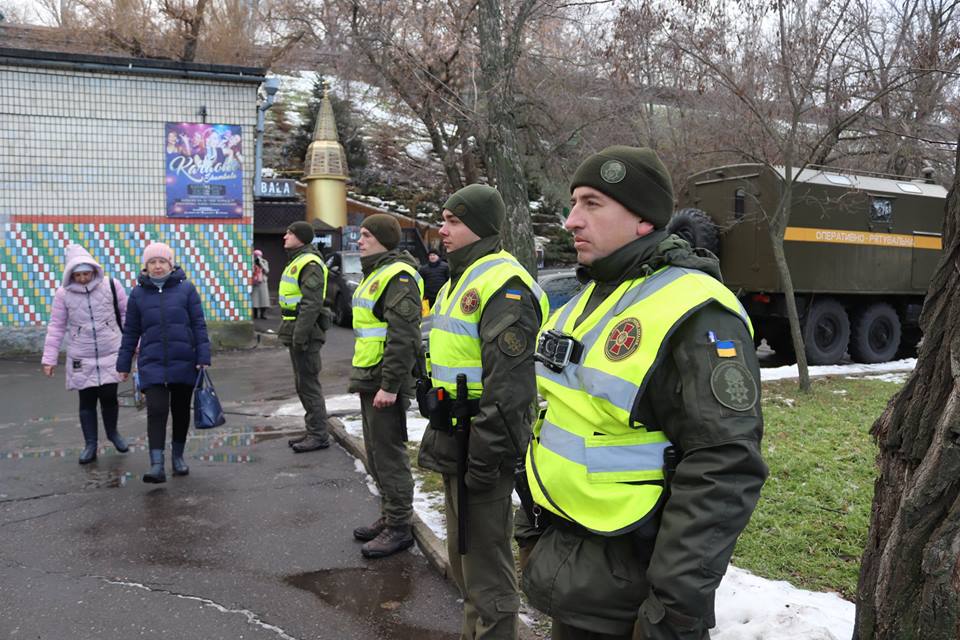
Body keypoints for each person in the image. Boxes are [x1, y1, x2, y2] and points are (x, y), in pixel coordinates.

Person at [518, 146, 768, 640]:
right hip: (578, 568)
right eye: (573, 203)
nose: (571, 221)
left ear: (643, 220)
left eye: (592, 204)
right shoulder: (591, 296)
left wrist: (671, 614)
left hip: (635, 591)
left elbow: (724, 469)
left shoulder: (697, 311)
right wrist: (533, 526)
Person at [418, 184, 549, 640]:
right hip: (458, 437)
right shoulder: (461, 278)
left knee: (487, 572)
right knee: (465, 564)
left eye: (454, 220)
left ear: (482, 226)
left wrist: (486, 458)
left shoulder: (504, 286)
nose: (443, 229)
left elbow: (509, 390)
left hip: (483, 447)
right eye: (444, 219)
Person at [348, 214, 424, 559]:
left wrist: (391, 385)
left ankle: (399, 527)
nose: (359, 240)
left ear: (383, 239)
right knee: (376, 452)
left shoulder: (399, 276)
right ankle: (390, 513)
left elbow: (403, 337)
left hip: (384, 380)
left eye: (366, 235)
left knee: (389, 454)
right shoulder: (377, 274)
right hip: (370, 376)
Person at [116, 242, 211, 484]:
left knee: (180, 412)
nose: (157, 266)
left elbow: (198, 325)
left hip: (184, 361)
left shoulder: (187, 289)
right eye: (152, 262)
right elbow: (131, 331)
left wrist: (203, 356)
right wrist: (123, 364)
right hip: (152, 362)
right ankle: (156, 464)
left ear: (171, 264)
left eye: (162, 262)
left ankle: (177, 457)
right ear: (145, 267)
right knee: (156, 411)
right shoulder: (138, 294)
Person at [41, 244, 130, 465]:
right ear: (70, 274)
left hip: (111, 351)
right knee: (87, 401)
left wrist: (134, 344)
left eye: (86, 273)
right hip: (82, 354)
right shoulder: (63, 294)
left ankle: (113, 434)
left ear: (93, 270)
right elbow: (56, 326)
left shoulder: (111, 285)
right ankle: (90, 443)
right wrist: (49, 358)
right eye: (77, 275)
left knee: (110, 397)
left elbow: (127, 315)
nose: (82, 278)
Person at [279, 221, 333, 453]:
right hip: (296, 330)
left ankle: (319, 435)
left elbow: (311, 304)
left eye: (290, 233)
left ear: (301, 237)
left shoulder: (310, 263)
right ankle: (313, 429)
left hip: (306, 333)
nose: (285, 236)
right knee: (303, 384)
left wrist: (299, 337)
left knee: (309, 385)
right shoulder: (298, 260)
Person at [251, 249, 271, 319]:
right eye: (256, 255)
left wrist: (261, 263)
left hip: (263, 282)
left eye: (258, 255)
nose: (257, 257)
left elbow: (267, 271)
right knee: (255, 299)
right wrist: (253, 264)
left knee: (263, 299)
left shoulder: (264, 262)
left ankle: (263, 314)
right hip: (255, 282)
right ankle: (255, 314)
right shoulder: (251, 262)